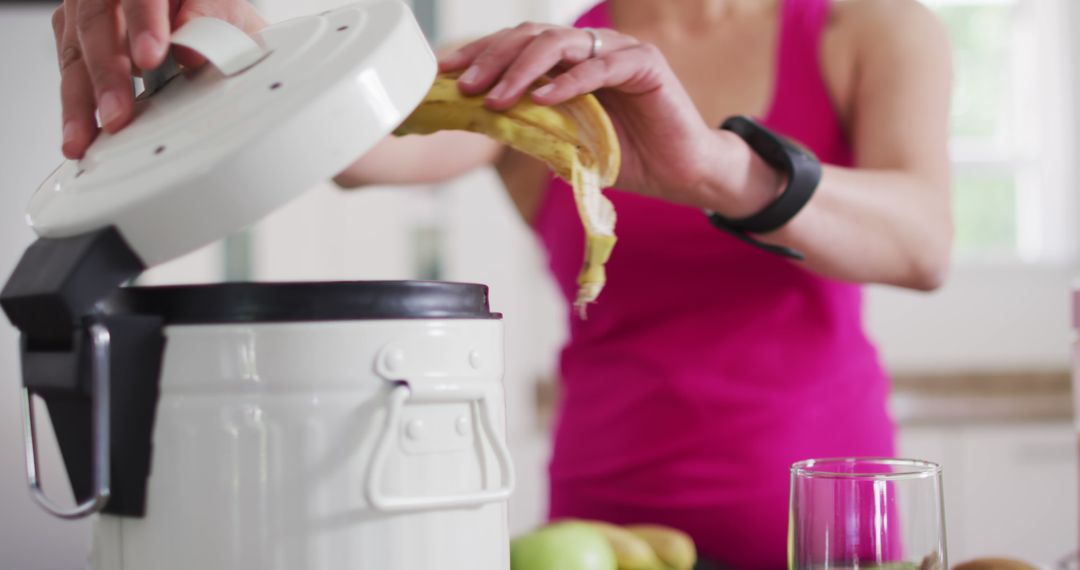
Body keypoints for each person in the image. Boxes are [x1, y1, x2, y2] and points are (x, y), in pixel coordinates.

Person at [50, 0, 952, 566]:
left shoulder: (870, 28)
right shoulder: (541, 67)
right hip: (598, 530)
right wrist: (225, 36)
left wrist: (714, 167)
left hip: (827, 520)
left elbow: (924, 243)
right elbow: (349, 137)